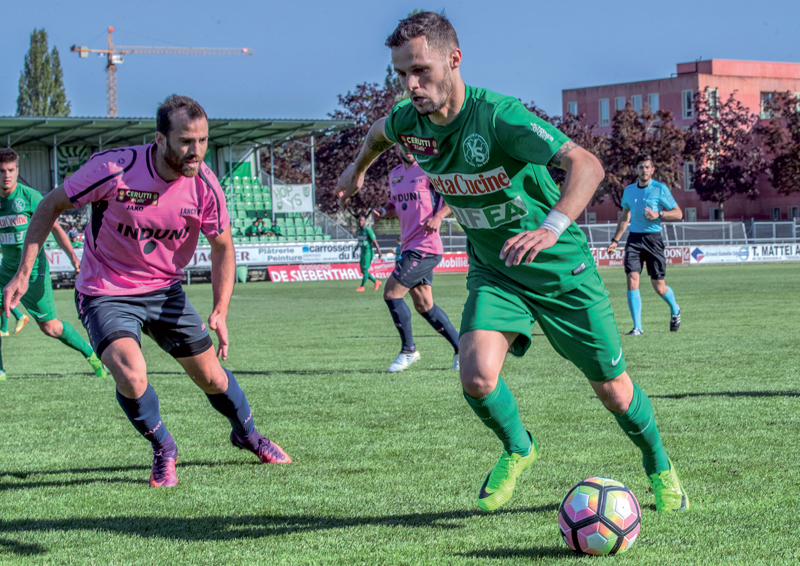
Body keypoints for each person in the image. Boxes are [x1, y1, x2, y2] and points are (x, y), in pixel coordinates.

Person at [337, 12, 688, 513]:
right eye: (400, 74)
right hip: (496, 269)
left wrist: (550, 227)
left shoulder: (498, 117)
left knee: (612, 389)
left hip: (559, 268)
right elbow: (378, 132)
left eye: (420, 70)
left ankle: (659, 464)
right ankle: (519, 448)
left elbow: (587, 165)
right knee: (476, 375)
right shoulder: (408, 122)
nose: (410, 85)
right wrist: (356, 168)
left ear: (454, 60)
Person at [3, 95, 291, 486]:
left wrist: (220, 309)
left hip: (165, 290)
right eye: (187, 141)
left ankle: (248, 435)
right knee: (131, 375)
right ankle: (164, 449)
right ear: (160, 139)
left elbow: (223, 246)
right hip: (105, 290)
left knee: (213, 379)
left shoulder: (206, 185)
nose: (197, 151)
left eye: (204, 140)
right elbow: (50, 206)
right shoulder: (114, 169)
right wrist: (23, 272)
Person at [0, 148, 105, 381]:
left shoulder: (30, 198)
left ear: (17, 171)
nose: (6, 175)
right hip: (5, 270)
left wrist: (73, 257)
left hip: (33, 272)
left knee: (50, 327)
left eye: (10, 170)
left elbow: (56, 229)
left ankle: (91, 355)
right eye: (1, 171)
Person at [369, 145, 460, 373]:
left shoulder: (430, 170)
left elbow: (454, 197)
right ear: (398, 146)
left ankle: (408, 350)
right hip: (409, 246)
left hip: (426, 247)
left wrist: (439, 216)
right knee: (424, 305)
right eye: (404, 144)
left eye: (413, 144)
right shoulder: (395, 174)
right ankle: (463, 351)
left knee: (391, 292)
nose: (409, 149)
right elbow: (395, 206)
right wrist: (383, 211)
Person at [607, 156, 683, 335]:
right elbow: (625, 217)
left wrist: (659, 213)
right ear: (636, 170)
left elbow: (678, 214)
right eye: (640, 167)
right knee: (632, 279)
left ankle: (675, 309)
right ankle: (637, 328)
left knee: (659, 287)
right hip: (634, 240)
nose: (644, 170)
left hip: (653, 240)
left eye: (647, 167)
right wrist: (615, 240)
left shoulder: (659, 188)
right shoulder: (629, 190)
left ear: (652, 170)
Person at [355, 215, 382, 292]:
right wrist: (355, 250)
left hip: (368, 252)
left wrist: (379, 251)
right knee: (363, 271)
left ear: (365, 222)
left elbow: (374, 242)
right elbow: (360, 242)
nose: (360, 222)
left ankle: (362, 286)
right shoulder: (358, 231)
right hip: (362, 252)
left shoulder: (368, 231)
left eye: (362, 220)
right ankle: (376, 282)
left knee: (365, 269)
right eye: (359, 220)